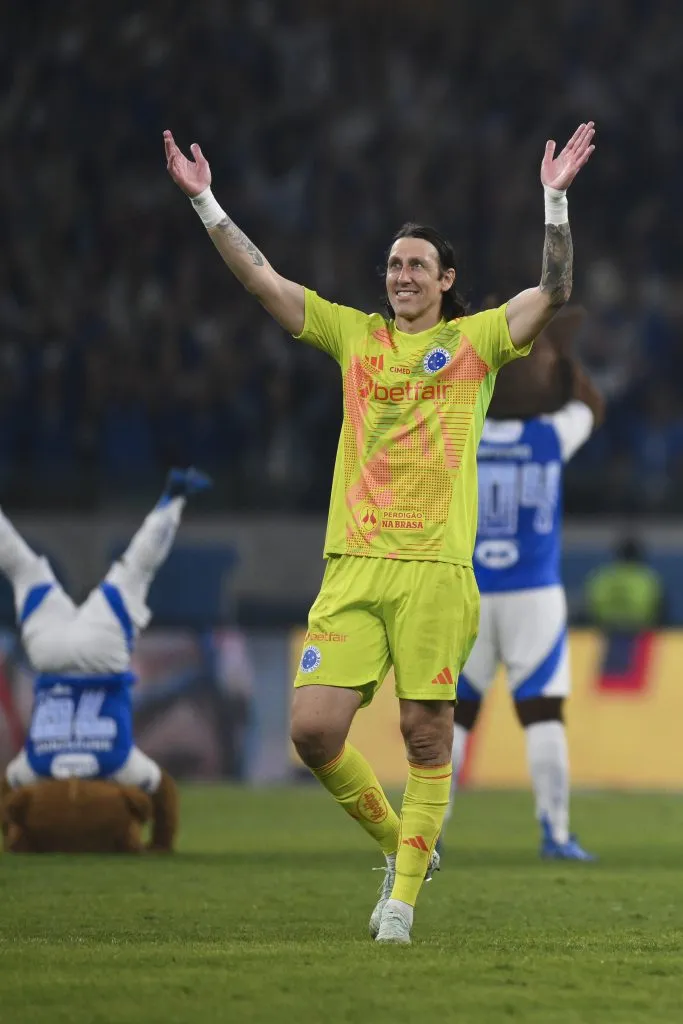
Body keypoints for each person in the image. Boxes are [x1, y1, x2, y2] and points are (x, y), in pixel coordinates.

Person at [164, 121, 596, 943]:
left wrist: (554, 199)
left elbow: (553, 291)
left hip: (434, 568)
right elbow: (262, 282)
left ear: (445, 281)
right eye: (394, 265)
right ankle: (406, 847)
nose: (402, 276)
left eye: (416, 266)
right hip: (353, 565)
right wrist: (206, 204)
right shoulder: (352, 336)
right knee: (312, 732)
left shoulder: (473, 346)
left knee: (424, 733)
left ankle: (398, 903)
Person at [441, 320, 605, 860]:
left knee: (456, 717)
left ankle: (428, 832)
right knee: (542, 715)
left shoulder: (462, 430)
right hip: (534, 593)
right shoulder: (549, 435)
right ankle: (555, 834)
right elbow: (591, 405)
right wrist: (558, 355)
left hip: (469, 590)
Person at [1, 468, 211, 851]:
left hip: (95, 653)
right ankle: (173, 499)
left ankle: (171, 501)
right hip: (56, 654)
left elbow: (160, 789)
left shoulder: (115, 763)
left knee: (133, 569)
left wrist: (15, 838)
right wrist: (160, 846)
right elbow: (164, 794)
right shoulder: (38, 765)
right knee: (24, 568)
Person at [585, 537, 664, 632]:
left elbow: (590, 607)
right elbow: (659, 610)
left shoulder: (602, 577)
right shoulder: (647, 578)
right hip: (639, 633)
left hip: (606, 631)